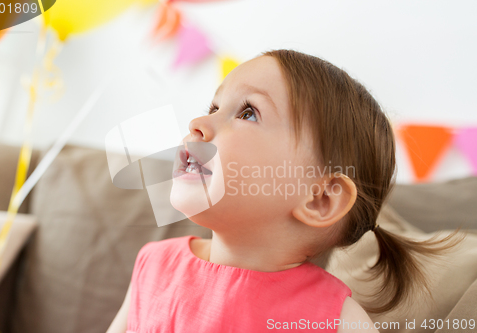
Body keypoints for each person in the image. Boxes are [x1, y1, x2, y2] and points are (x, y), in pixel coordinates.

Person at [107, 49, 461, 333]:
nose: (197, 124)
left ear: (319, 199)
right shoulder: (153, 266)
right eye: (213, 107)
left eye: (247, 113)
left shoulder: (334, 320)